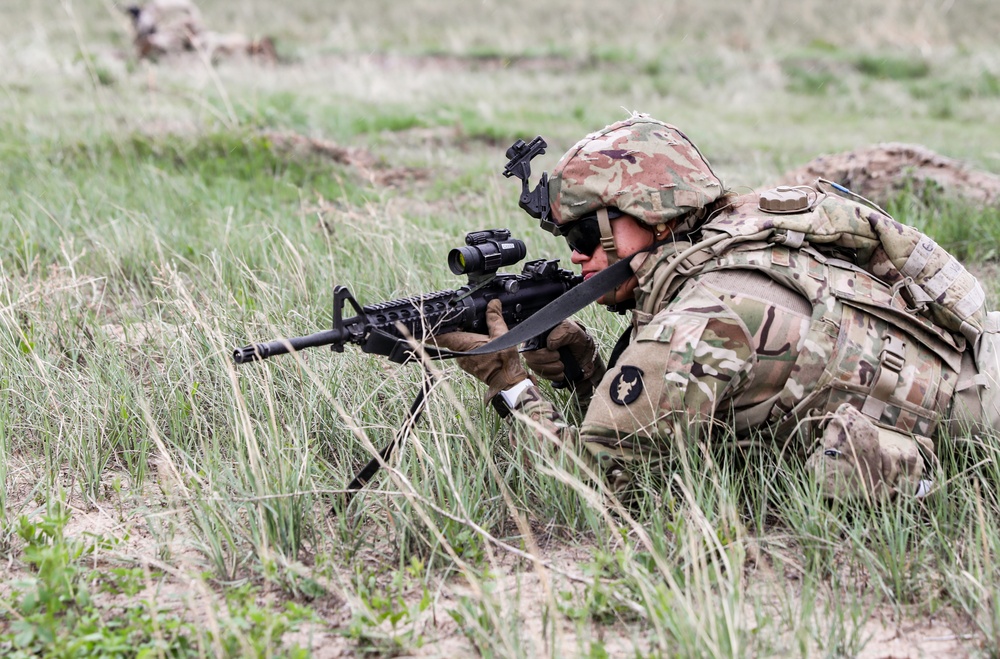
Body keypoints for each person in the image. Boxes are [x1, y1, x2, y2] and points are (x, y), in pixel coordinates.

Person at [436, 113, 1000, 503]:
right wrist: (585, 365)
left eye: (587, 232)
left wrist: (510, 383)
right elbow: (668, 412)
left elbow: (597, 484)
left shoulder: (698, 321)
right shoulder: (741, 229)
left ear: (652, 218)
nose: (579, 255)